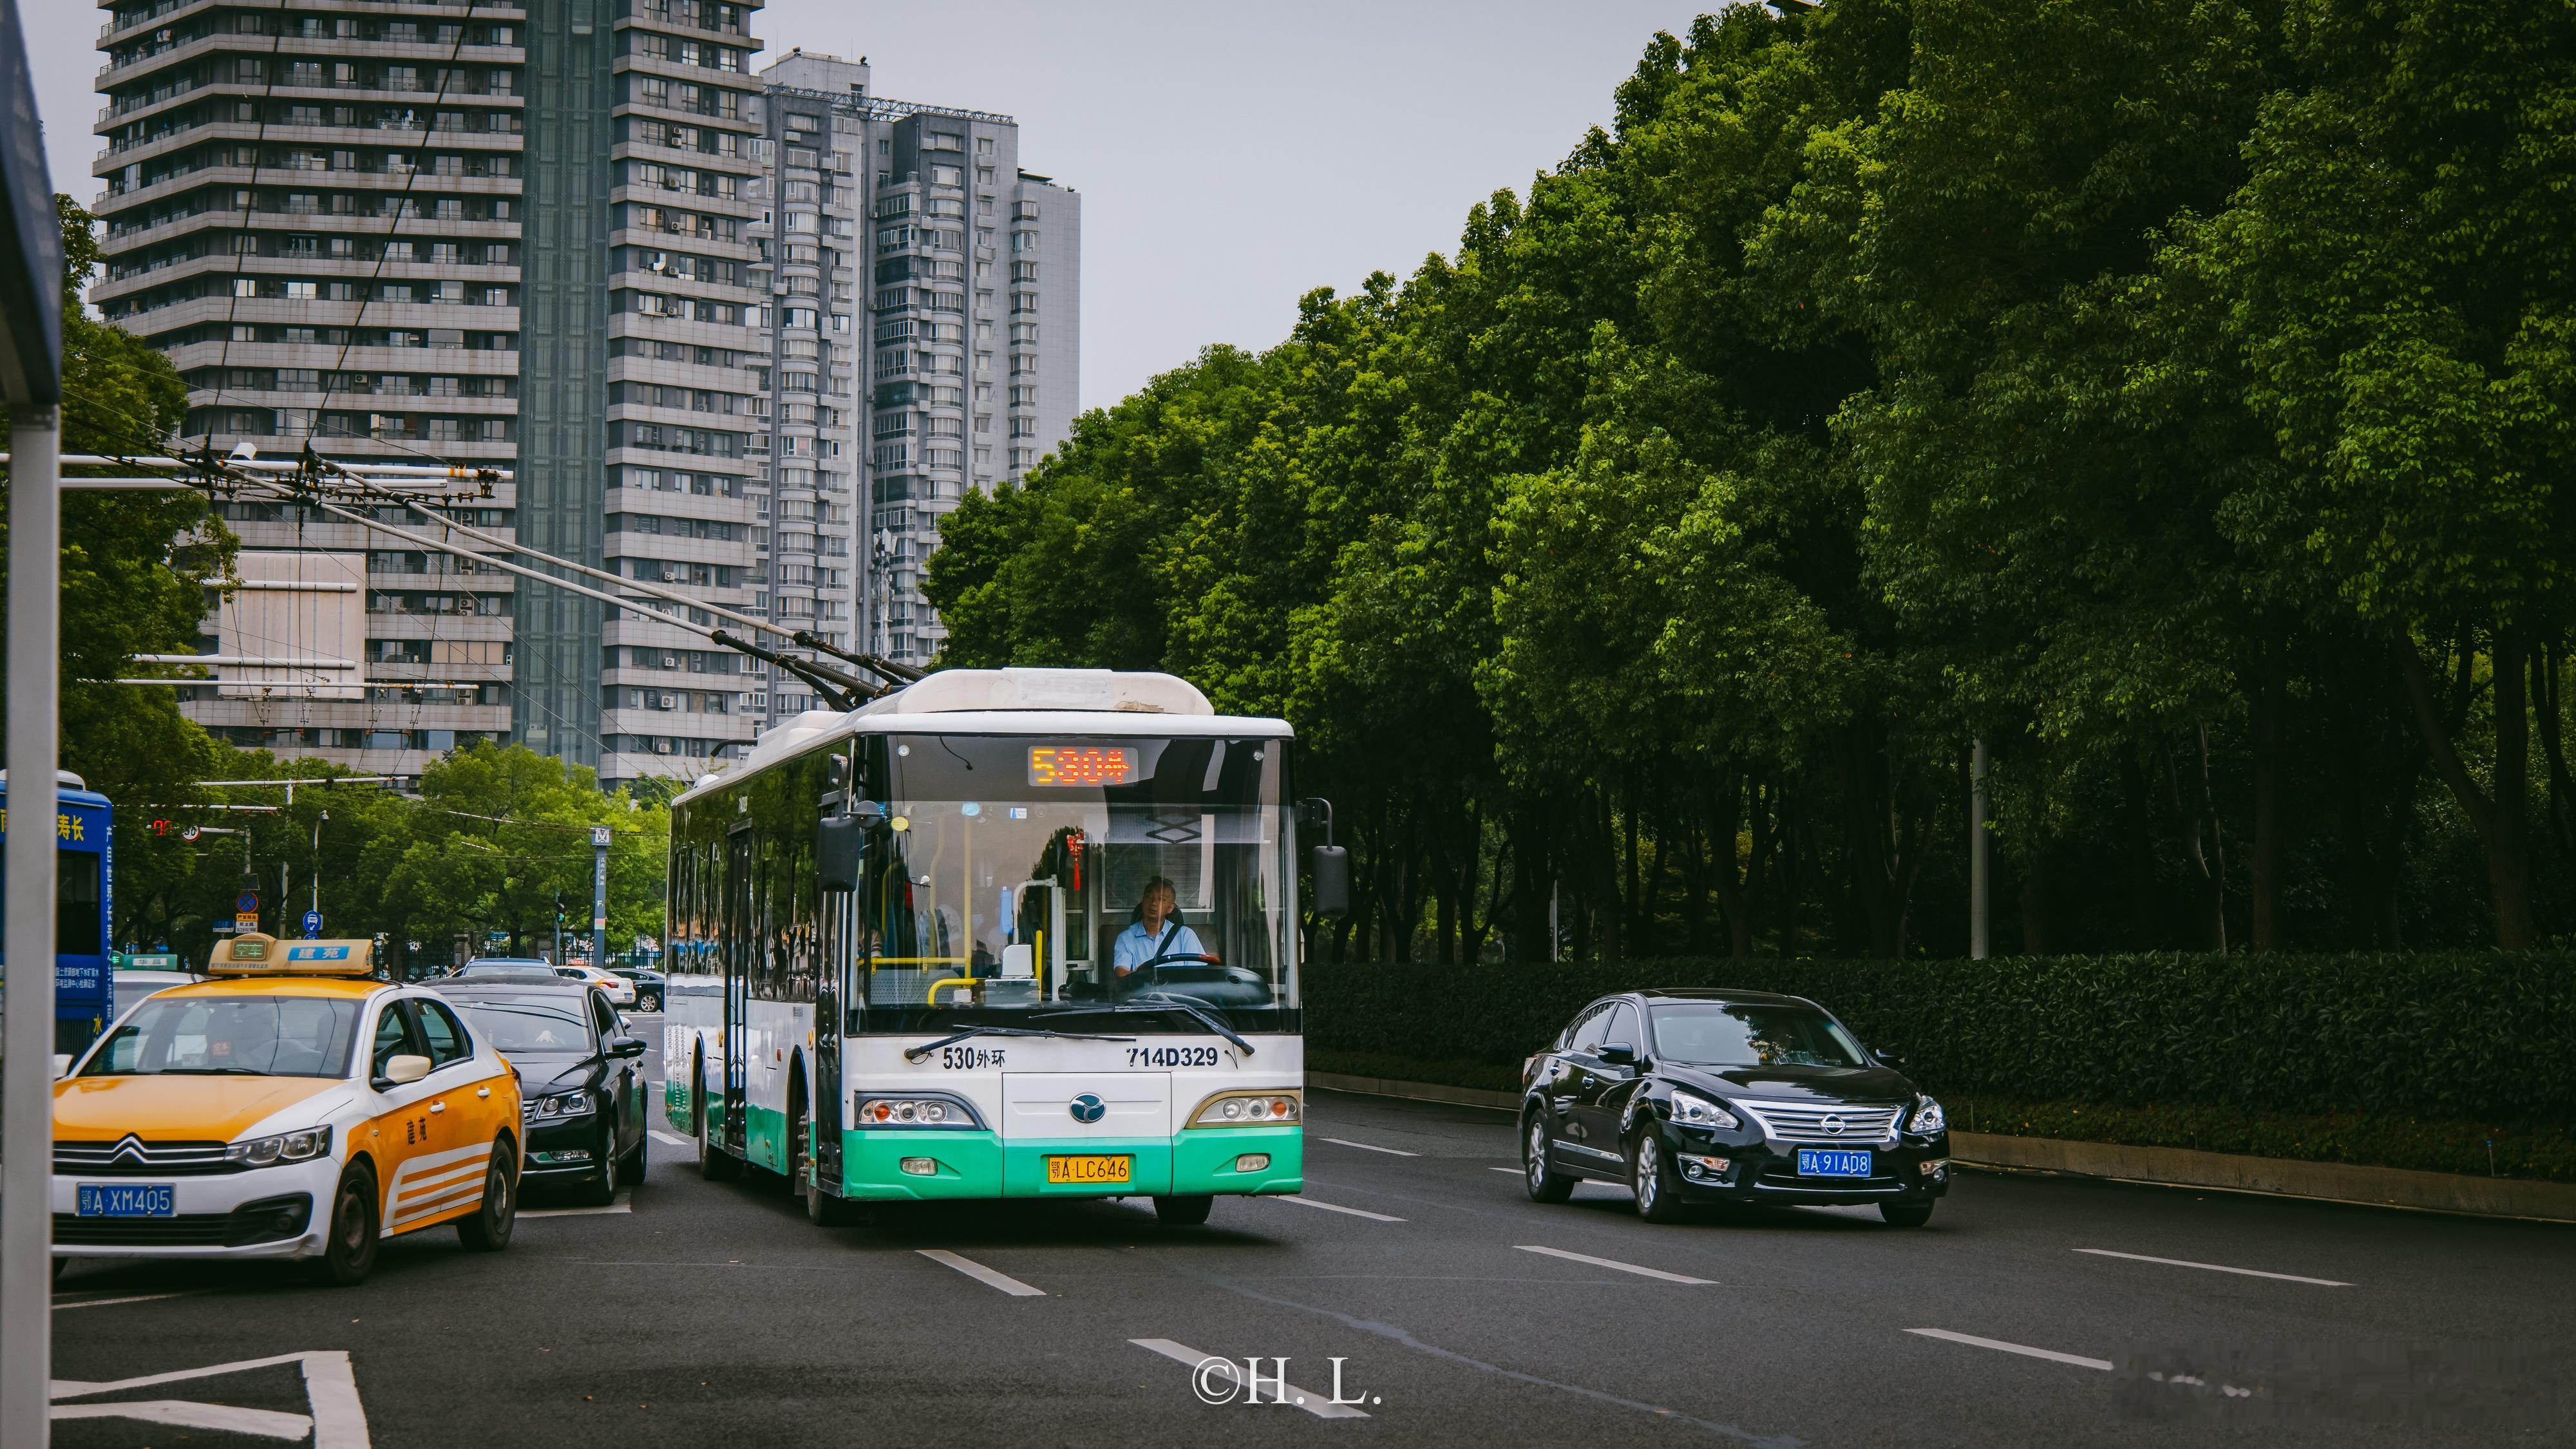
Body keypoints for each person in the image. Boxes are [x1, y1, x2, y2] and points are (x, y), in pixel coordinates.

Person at [1110, 876, 1204, 982]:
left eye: (1162, 899)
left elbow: (1198, 974)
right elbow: (1121, 972)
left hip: (1179, 996)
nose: (1154, 903)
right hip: (1143, 996)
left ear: (1170, 908)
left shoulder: (1185, 935)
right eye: (1149, 897)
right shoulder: (1127, 937)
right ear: (1143, 901)